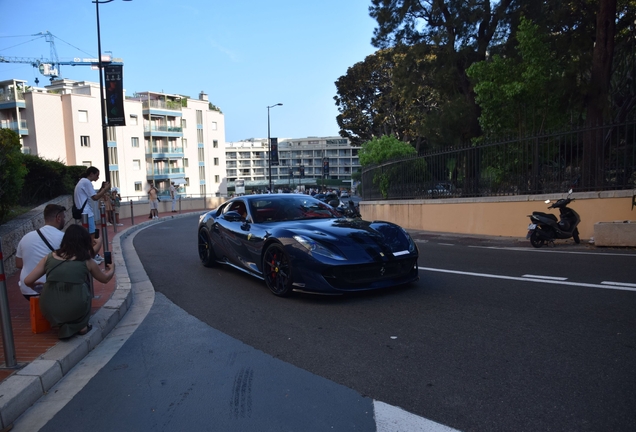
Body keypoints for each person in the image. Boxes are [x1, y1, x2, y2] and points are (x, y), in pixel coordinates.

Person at [24, 224, 115, 339]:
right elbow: (105, 279)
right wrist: (112, 269)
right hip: (75, 307)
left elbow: (27, 281)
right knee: (84, 287)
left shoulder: (49, 257)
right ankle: (81, 326)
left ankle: (61, 325)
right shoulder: (87, 261)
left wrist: (35, 286)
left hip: (49, 308)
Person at [15, 204, 67, 301]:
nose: (64, 220)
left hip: (27, 290)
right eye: (64, 217)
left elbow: (19, 264)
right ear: (58, 218)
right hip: (50, 288)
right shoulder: (62, 237)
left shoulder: (26, 237)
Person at [74, 167, 109, 261]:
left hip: (84, 212)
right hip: (87, 213)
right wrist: (105, 189)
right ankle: (90, 257)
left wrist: (102, 188)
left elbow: (93, 194)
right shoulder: (86, 182)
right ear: (91, 174)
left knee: (89, 236)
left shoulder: (82, 181)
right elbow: (95, 197)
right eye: (97, 175)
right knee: (91, 236)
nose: (98, 177)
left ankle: (93, 255)